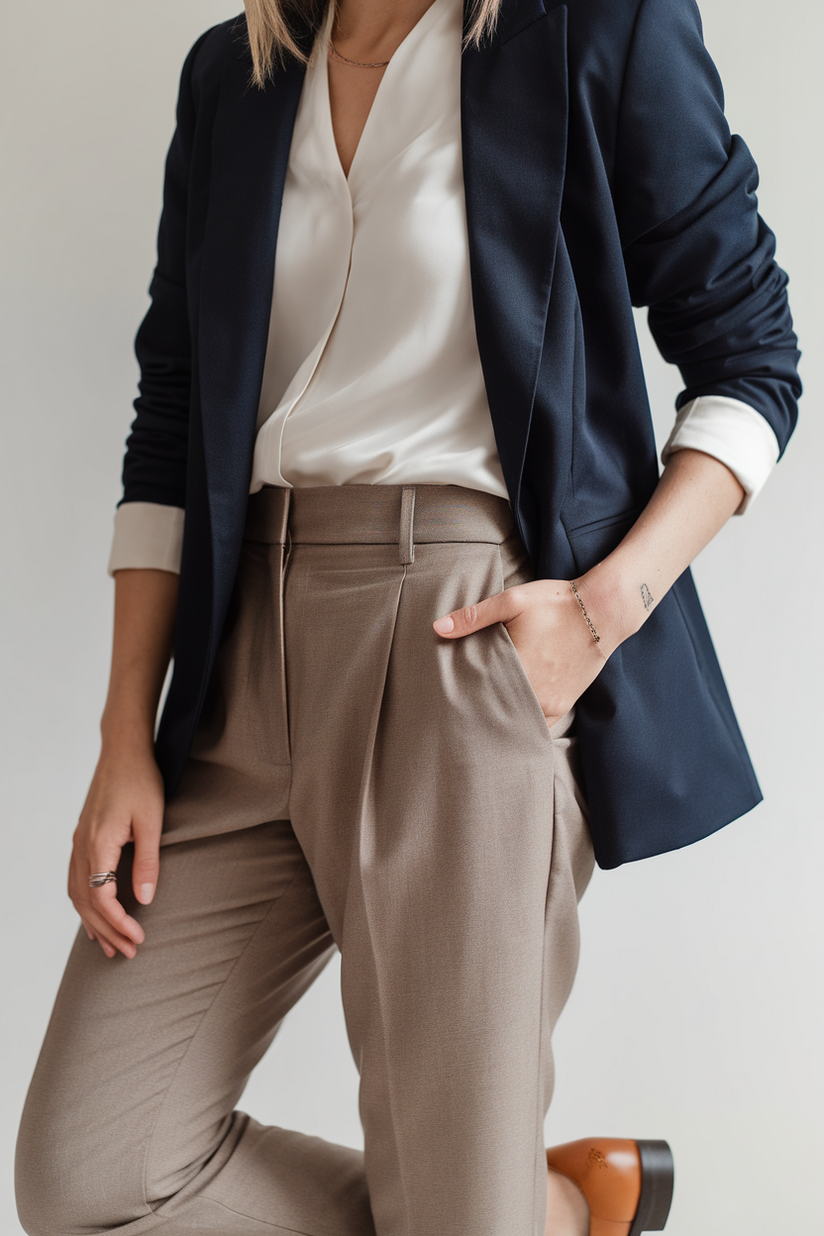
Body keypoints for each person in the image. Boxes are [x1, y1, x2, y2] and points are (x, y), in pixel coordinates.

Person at [15, 0, 800, 1231]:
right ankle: (542, 1211)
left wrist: (598, 615)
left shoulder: (596, 27)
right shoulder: (235, 74)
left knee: (453, 1207)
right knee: (92, 1171)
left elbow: (751, 359)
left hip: (456, 634)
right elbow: (171, 417)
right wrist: (128, 730)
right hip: (237, 667)